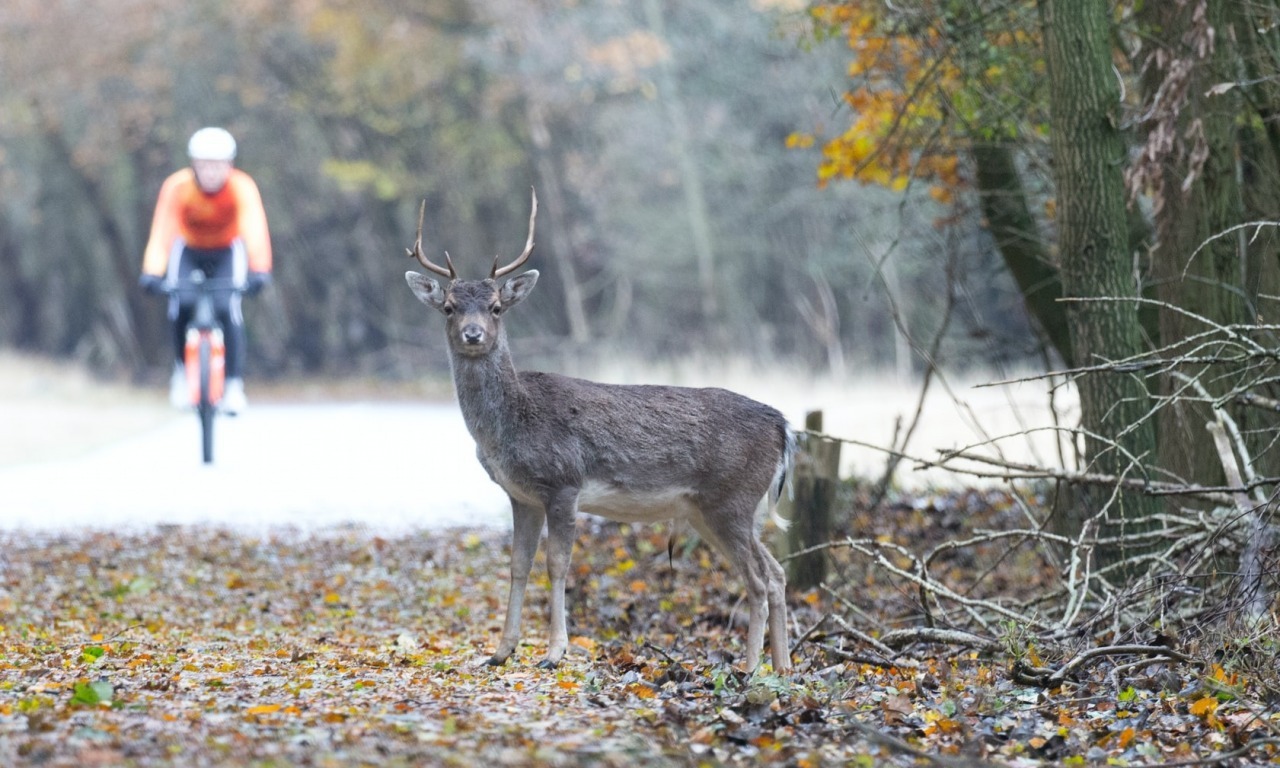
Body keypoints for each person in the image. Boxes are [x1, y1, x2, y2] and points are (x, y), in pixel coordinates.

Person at [139, 127, 272, 415]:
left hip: (226, 251)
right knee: (181, 304)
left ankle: (234, 386)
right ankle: (180, 375)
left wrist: (259, 269)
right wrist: (152, 271)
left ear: (230, 166)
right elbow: (163, 231)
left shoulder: (241, 187)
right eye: (204, 165)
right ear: (193, 166)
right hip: (189, 251)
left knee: (227, 308)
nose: (211, 172)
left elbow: (254, 228)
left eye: (217, 165)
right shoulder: (178, 187)